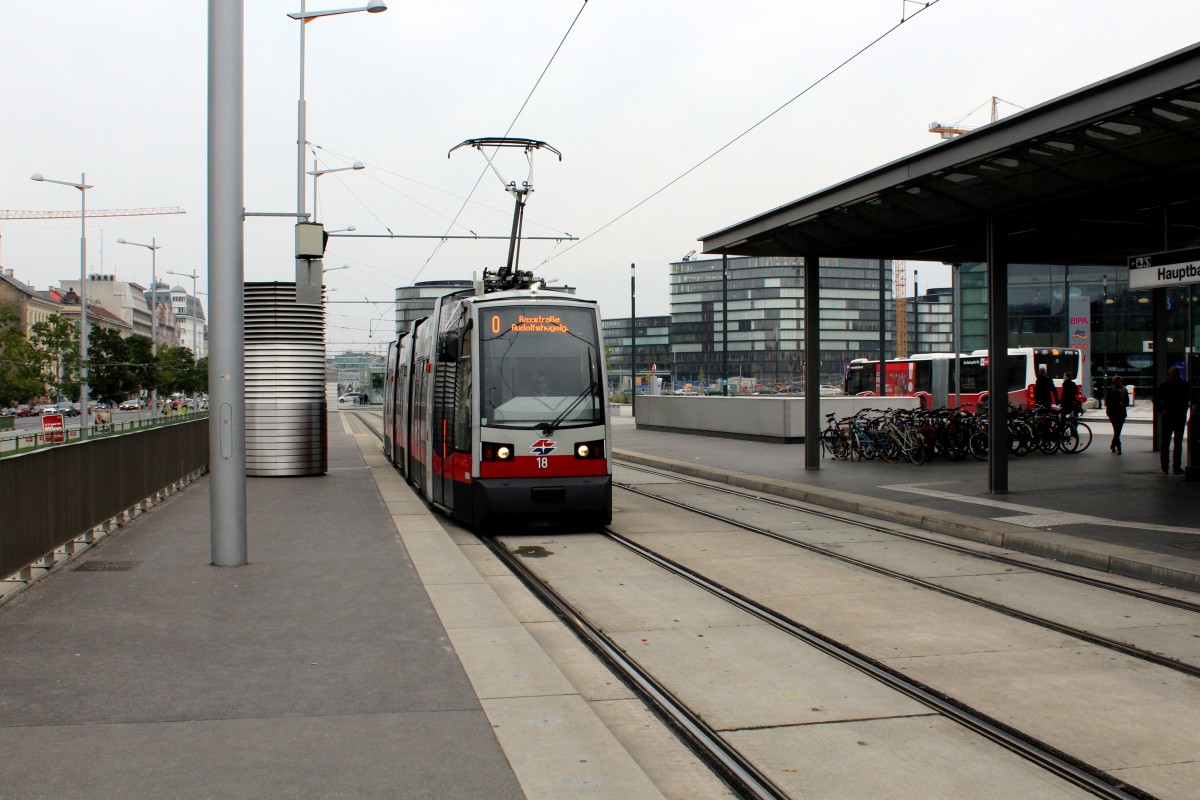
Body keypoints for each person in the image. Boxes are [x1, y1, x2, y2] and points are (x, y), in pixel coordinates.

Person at [1153, 365, 1189, 474]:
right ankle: (1176, 466)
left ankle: (1165, 466)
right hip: (1180, 416)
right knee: (1178, 443)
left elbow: (1155, 399)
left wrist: (1161, 410)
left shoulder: (1165, 386)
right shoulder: (1185, 385)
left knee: (1166, 442)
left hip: (1168, 416)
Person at [1104, 375, 1128, 454]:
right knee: (1117, 429)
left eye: (1120, 381)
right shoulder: (1111, 390)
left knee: (1118, 430)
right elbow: (1107, 402)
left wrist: (1123, 404)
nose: (1119, 383)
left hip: (1122, 413)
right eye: (1117, 382)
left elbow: (1127, 401)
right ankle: (1119, 447)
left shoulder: (1124, 390)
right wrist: (1116, 404)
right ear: (1114, 382)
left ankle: (1113, 444)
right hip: (1113, 413)